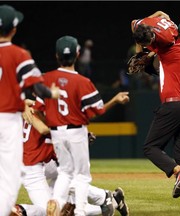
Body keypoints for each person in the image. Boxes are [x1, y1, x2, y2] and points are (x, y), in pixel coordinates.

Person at [33, 35, 129, 216]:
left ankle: (57, 201)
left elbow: (37, 110)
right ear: (77, 54)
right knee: (82, 176)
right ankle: (80, 212)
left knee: (65, 172)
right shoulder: (83, 82)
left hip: (56, 133)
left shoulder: (46, 79)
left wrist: (51, 120)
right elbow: (98, 111)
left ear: (56, 55)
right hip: (76, 131)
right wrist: (115, 100)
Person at [131, 12, 180, 207]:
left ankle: (178, 171)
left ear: (177, 31)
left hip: (175, 105)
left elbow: (135, 26)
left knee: (150, 147)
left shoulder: (168, 48)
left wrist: (144, 52)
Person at [11, 103, 129, 216]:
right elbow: (45, 129)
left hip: (33, 165)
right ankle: (107, 201)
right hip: (28, 164)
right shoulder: (43, 111)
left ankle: (20, 210)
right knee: (57, 206)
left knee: (53, 208)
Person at [0, 5, 60, 216]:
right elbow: (38, 86)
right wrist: (50, 94)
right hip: (8, 121)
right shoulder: (19, 54)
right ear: (13, 29)